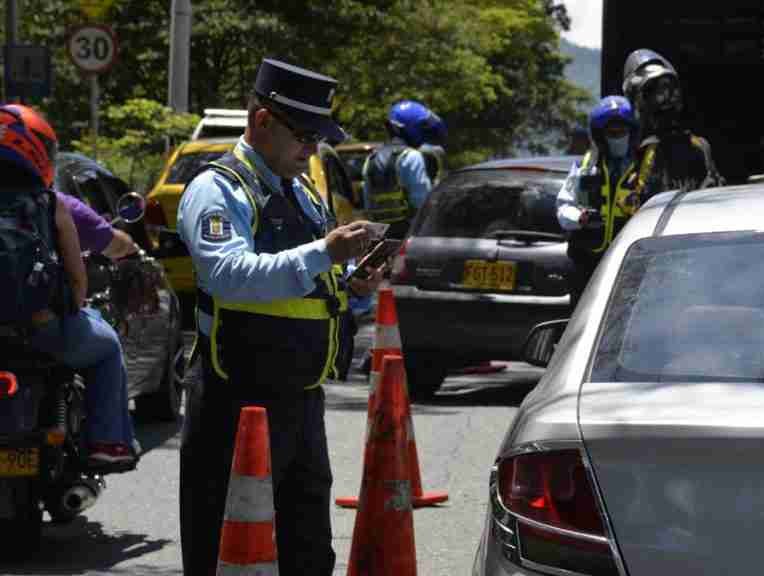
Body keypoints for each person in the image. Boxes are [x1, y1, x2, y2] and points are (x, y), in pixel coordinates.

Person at [176, 58, 383, 576]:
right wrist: (323, 254)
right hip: (236, 398)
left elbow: (310, 280)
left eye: (318, 137)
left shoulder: (300, 191)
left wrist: (352, 283)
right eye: (305, 136)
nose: (312, 149)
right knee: (225, 547)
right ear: (263, 121)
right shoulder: (218, 189)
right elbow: (228, 273)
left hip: (300, 396)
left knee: (307, 548)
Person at [0, 103, 138, 467]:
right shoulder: (51, 202)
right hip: (39, 327)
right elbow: (77, 278)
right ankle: (108, 442)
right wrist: (74, 303)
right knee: (108, 348)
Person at [557, 96, 644, 306]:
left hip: (631, 264)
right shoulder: (585, 166)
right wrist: (581, 217)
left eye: (622, 132)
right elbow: (563, 207)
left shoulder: (645, 168)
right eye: (612, 133)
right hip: (588, 263)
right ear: (600, 136)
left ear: (631, 133)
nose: (618, 138)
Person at [621, 48, 725, 194]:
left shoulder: (697, 147)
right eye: (655, 91)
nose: (664, 97)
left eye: (667, 90)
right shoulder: (632, 152)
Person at [362, 99, 446, 239]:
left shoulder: (371, 159)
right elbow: (422, 203)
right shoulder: (412, 156)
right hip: (409, 237)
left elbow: (367, 204)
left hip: (380, 239)